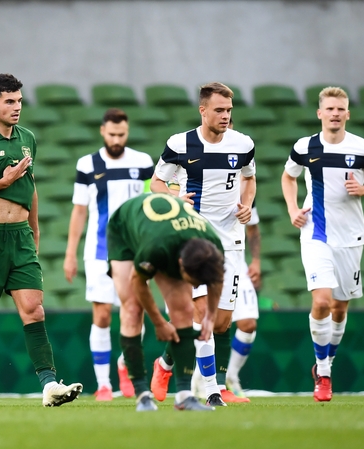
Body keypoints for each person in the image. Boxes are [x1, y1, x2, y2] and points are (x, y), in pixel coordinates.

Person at [0, 73, 83, 408]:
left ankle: (49, 385)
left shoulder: (27, 139)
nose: (16, 107)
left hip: (21, 237)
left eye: (20, 101)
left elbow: (30, 188)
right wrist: (2, 180)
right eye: (9, 101)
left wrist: (34, 232)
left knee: (34, 310)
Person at [149, 82, 256, 406]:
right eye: (220, 110)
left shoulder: (243, 144)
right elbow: (156, 183)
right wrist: (175, 196)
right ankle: (211, 391)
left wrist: (247, 203)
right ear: (203, 110)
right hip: (191, 236)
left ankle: (165, 362)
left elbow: (249, 179)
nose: (225, 116)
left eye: (229, 111)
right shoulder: (179, 144)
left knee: (220, 322)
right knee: (198, 313)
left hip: (230, 238)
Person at [281, 87, 364, 402]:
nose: (335, 114)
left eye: (340, 109)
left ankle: (327, 361)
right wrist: (291, 209)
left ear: (348, 113)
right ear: (320, 113)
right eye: (330, 109)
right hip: (316, 233)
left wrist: (363, 189)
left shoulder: (363, 147)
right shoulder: (305, 146)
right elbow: (288, 177)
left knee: (340, 308)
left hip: (351, 236)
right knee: (322, 302)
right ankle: (324, 373)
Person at [63, 108, 154, 401]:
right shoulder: (87, 164)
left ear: (127, 132)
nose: (117, 139)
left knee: (134, 312)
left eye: (122, 134)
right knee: (101, 315)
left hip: (135, 250)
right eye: (112, 134)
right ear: (102, 131)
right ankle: (103, 384)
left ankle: (126, 366)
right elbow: (79, 211)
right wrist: (70, 254)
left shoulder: (142, 162)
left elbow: (153, 202)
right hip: (99, 250)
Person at [108, 192, 224, 412]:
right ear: (180, 264)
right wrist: (159, 322)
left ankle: (184, 396)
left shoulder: (213, 244)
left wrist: (209, 317)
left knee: (184, 310)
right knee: (132, 309)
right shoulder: (157, 248)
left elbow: (216, 279)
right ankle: (142, 395)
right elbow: (138, 282)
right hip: (125, 227)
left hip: (167, 232)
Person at [224, 202, 261, 398]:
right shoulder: (202, 180)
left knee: (248, 324)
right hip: (205, 260)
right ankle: (202, 380)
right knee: (209, 324)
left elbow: (253, 227)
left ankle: (231, 375)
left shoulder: (245, 189)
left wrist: (256, 261)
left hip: (237, 260)